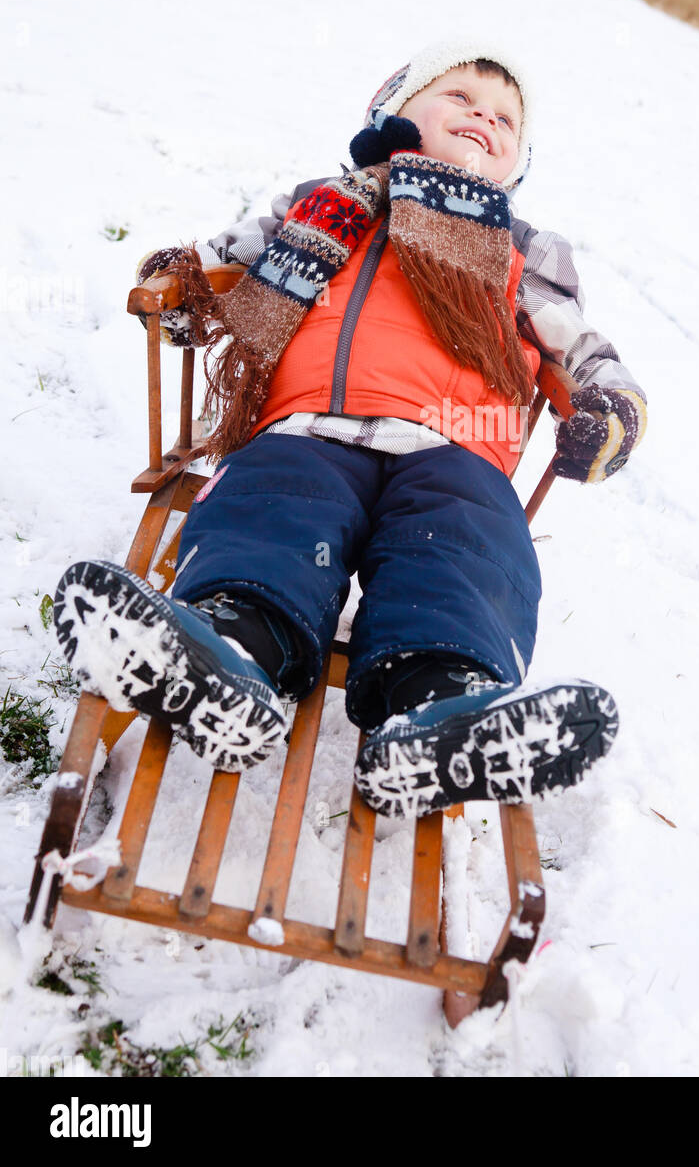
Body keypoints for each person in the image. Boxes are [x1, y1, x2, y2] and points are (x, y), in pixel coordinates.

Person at [53, 41, 647, 820]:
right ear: (394, 113)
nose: (484, 119)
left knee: (466, 548)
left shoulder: (522, 247)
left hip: (455, 449)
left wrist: (610, 406)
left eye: (505, 118)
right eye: (461, 97)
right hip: (308, 428)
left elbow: (579, 348)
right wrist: (189, 279)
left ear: (516, 163)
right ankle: (231, 654)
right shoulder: (322, 203)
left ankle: (439, 708)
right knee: (269, 510)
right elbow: (230, 260)